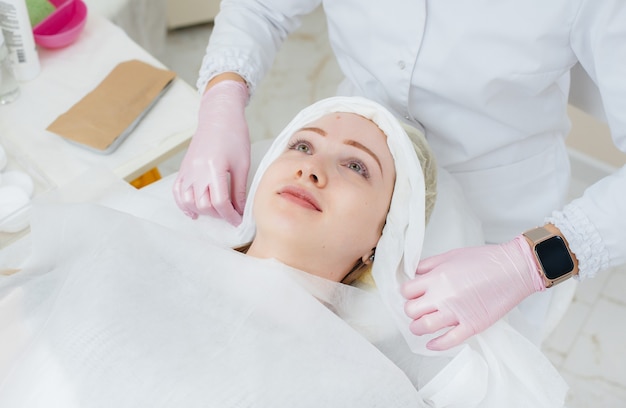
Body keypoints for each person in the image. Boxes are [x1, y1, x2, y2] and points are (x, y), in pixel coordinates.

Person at [0, 97, 567, 408]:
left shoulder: (365, 390)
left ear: (385, 234)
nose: (310, 168)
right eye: (300, 144)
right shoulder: (130, 254)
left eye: (356, 166)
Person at [172, 0, 626, 349]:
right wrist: (223, 94)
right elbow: (262, 8)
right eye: (302, 146)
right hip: (362, 136)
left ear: (376, 245)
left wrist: (529, 262)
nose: (307, 169)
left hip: (499, 221)